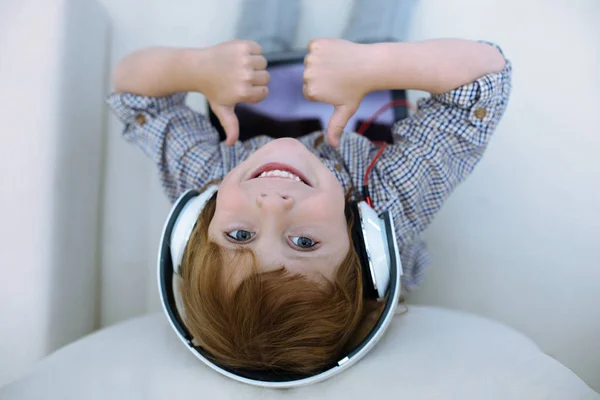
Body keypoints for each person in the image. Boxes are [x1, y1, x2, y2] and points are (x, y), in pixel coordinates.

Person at [107, 33, 511, 374]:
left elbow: (131, 92)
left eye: (240, 234)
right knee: (374, 33)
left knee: (256, 45)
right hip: (363, 101)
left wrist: (197, 69)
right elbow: (487, 76)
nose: (272, 205)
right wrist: (374, 63)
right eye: (303, 243)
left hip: (259, 95)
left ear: (198, 223)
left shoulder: (207, 179)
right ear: (362, 245)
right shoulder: (391, 196)